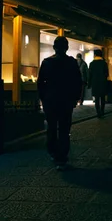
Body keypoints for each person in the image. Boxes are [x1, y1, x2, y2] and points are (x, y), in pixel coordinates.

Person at [37, 36, 82, 170]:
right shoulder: (71, 62)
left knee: (51, 127)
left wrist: (43, 98)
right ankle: (62, 155)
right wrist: (75, 98)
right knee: (64, 128)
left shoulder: (47, 62)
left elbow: (40, 83)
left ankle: (52, 151)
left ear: (54, 47)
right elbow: (77, 82)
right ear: (66, 48)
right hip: (66, 100)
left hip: (50, 99)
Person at [87, 48, 108, 118]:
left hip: (95, 83)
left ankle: (98, 113)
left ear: (95, 55)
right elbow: (107, 74)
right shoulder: (104, 63)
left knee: (96, 99)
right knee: (102, 98)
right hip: (103, 83)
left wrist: (89, 84)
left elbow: (89, 75)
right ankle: (102, 111)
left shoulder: (92, 64)